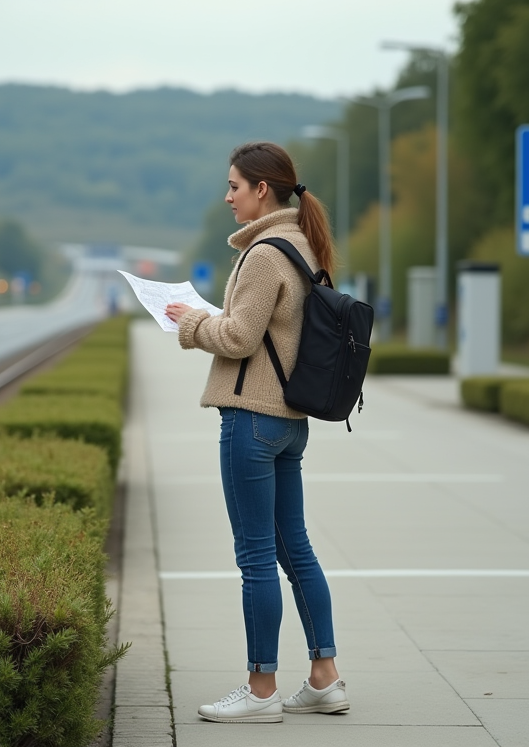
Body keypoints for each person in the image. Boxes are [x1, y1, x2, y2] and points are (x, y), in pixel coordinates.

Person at [164, 141, 348, 724]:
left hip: (251, 420)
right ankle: (325, 677)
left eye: (234, 187)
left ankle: (261, 688)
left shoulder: (265, 254)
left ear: (261, 190)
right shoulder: (304, 246)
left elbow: (240, 338)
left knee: (256, 558)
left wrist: (190, 322)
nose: (228, 197)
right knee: (296, 549)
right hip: (290, 424)